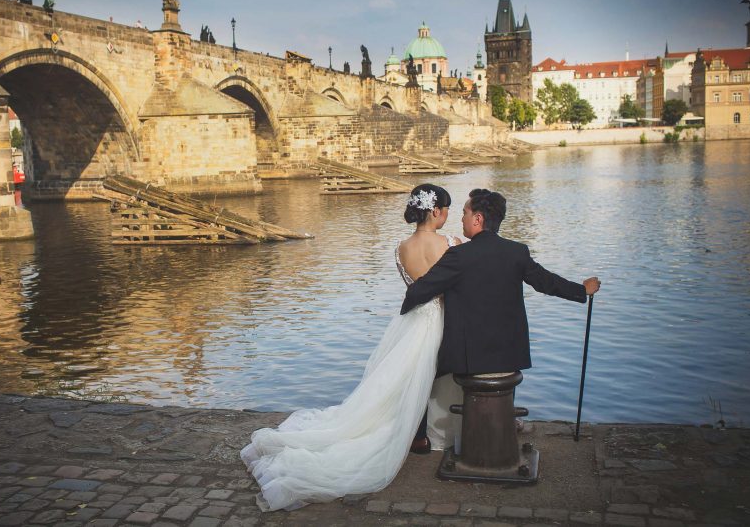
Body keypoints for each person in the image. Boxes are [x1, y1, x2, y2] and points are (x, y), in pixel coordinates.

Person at [241, 184, 459, 512]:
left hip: (413, 323)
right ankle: (436, 432)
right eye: (445, 209)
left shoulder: (401, 248)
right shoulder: (452, 244)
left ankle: (415, 434)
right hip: (443, 321)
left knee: (404, 379)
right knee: (429, 374)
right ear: (435, 211)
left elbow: (415, 288)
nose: (447, 215)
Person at [402, 189, 601, 448]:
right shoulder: (517, 252)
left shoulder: (459, 256)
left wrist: (411, 312)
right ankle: (501, 425)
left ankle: (419, 434)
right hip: (511, 354)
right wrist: (582, 290)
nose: (461, 219)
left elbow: (419, 291)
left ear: (478, 219)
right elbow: (546, 282)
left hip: (467, 358)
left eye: (465, 213)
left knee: (419, 369)